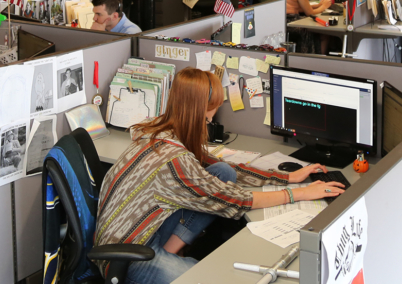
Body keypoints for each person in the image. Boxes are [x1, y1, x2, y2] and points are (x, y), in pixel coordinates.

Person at [94, 68, 343, 283]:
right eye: (215, 105)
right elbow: (235, 201)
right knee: (207, 277)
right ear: (202, 108)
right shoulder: (173, 161)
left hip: (146, 227)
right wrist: (300, 194)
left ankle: (170, 251)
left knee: (222, 172)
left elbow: (222, 166)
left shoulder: (160, 129)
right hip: (126, 254)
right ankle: (167, 260)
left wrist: (287, 178)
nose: (217, 110)